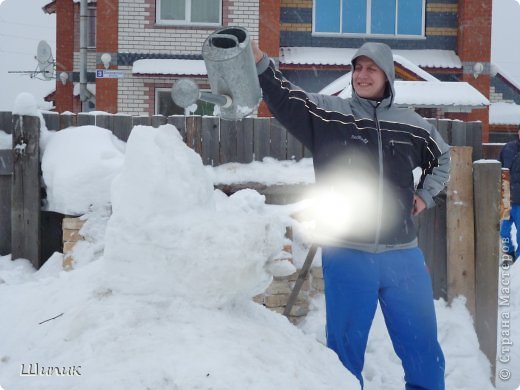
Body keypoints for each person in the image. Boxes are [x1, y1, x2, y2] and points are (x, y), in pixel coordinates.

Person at [252, 41, 450, 389]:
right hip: (347, 253)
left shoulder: (412, 125)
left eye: (371, 68)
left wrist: (425, 194)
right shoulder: (331, 115)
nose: (362, 75)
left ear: (387, 75)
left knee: (424, 350)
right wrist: (262, 65)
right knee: (344, 355)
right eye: (357, 68)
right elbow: (287, 99)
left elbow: (443, 158)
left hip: (402, 254)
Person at [499, 128, 520, 264]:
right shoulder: (508, 148)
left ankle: (518, 261)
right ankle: (510, 253)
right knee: (503, 231)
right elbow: (498, 167)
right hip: (506, 197)